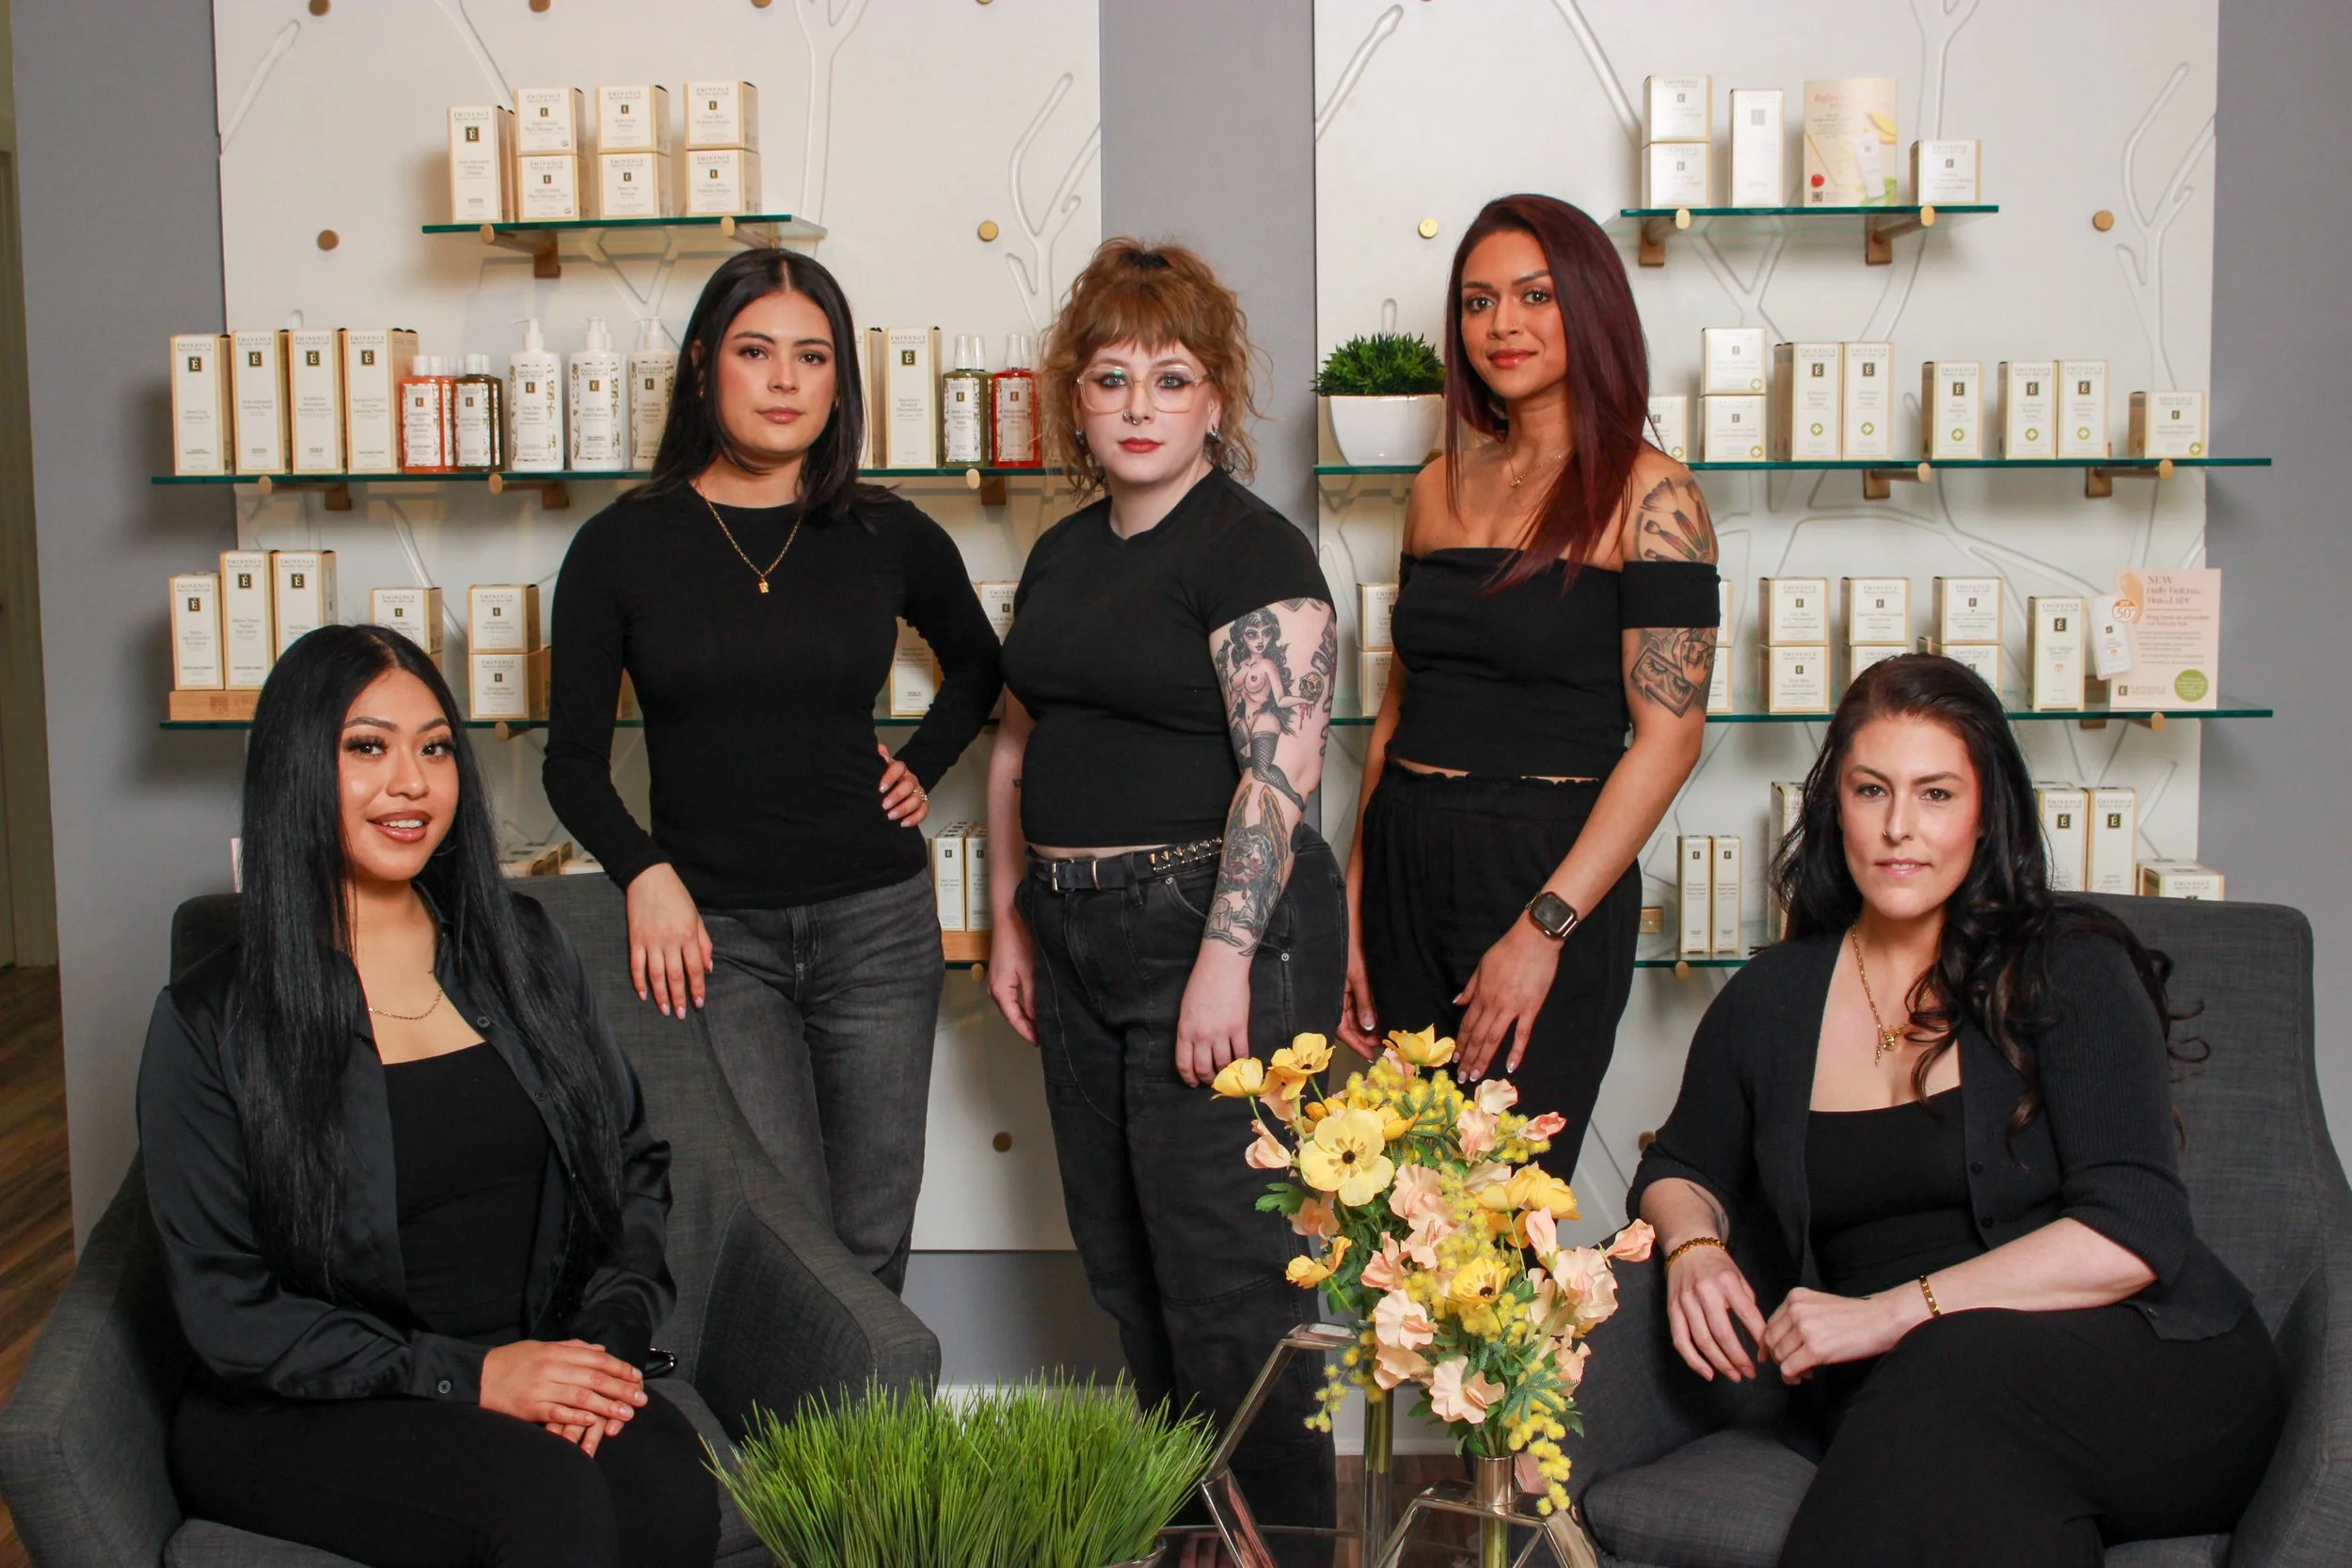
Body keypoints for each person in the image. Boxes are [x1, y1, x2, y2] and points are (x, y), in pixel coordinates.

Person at [1628, 655, 2284, 1568]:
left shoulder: (2066, 963)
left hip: (2147, 1377)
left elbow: (2134, 1229)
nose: (1900, 827)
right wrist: (1691, 1244)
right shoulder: (1770, 999)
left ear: (1984, 813)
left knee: (1949, 1366)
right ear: (1834, 807)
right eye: (1871, 790)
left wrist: (1893, 1312)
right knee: (1986, 1499)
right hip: (1923, 1410)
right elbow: (1678, 1166)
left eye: (1935, 793)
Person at [139, 626, 715, 1568]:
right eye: (367, 746)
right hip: (303, 1406)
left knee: (669, 1494)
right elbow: (227, 1307)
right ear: (295, 766)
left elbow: (631, 1165)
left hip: (526, 1356)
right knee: (549, 1507)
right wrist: (474, 1375)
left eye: (434, 746)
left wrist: (594, 1352)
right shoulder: (210, 1019)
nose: (410, 781)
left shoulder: (524, 951)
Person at [544, 248, 1002, 1293]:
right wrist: (646, 873)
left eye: (813, 356)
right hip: (718, 941)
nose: (786, 380)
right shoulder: (622, 546)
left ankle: (857, 1459)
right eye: (757, 352)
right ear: (706, 364)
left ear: (840, 379)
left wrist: (922, 763)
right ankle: (775, 1457)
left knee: (876, 1231)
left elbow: (979, 666)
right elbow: (571, 763)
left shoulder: (883, 528)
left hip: (879, 925)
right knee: (782, 1233)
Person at [985, 238, 1343, 1538]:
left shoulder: (1251, 551)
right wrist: (1013, 906)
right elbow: (1022, 731)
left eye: (1171, 376)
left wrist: (1224, 957)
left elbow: (1278, 775)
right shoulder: (1070, 550)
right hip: (1076, 941)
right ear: (1075, 397)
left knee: (1234, 1294)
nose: (1139, 403)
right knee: (1128, 1275)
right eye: (1113, 375)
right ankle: (1196, 1541)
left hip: (1212, 927)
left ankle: (1288, 1551)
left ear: (1215, 399)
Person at [1342, 194, 1719, 1176]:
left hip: (1546, 866)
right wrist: (1351, 902)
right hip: (1405, 859)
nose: (1500, 324)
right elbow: (1394, 710)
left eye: (1533, 295)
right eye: (1476, 301)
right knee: (1400, 1203)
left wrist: (1543, 926)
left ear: (1588, 305)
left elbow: (1668, 738)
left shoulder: (1654, 494)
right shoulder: (1437, 485)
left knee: (1501, 1207)